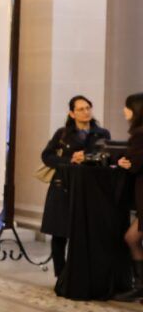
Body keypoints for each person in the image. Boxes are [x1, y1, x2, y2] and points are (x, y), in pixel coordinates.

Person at [40, 95, 112, 280]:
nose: (86, 112)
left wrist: (87, 158)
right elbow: (47, 156)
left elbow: (108, 157)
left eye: (88, 107)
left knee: (85, 231)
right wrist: (70, 159)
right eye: (80, 109)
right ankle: (60, 274)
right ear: (72, 113)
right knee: (60, 230)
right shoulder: (62, 133)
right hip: (63, 186)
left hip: (89, 188)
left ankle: (82, 272)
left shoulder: (101, 133)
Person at [113, 92, 143, 300]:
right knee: (131, 237)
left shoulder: (140, 134)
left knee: (132, 238)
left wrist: (126, 163)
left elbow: (136, 164)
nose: (124, 110)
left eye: (126, 106)